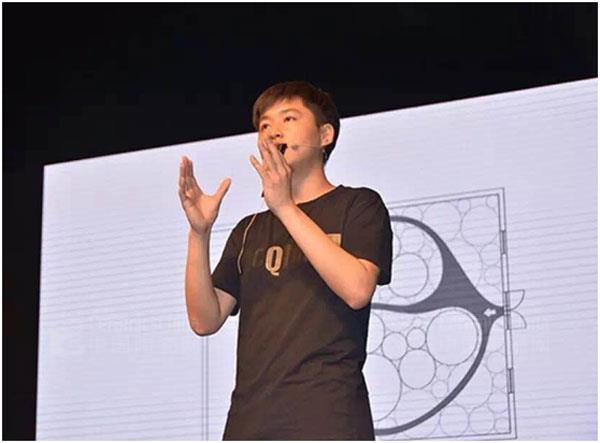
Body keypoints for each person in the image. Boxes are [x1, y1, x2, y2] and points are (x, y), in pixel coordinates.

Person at [179, 80, 392, 440]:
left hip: (329, 418)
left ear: (325, 135)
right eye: (265, 125)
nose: (273, 131)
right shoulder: (249, 229)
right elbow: (204, 319)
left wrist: (284, 207)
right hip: (250, 422)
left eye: (288, 119)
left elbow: (357, 289)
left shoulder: (358, 205)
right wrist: (199, 233)